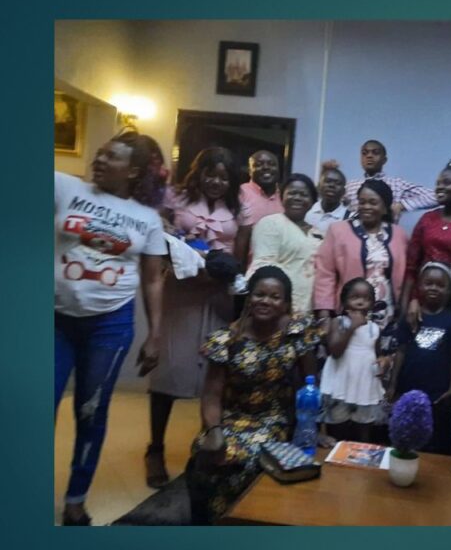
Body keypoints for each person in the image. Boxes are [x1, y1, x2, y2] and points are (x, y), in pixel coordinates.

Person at [55, 130, 169, 525]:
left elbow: (153, 279)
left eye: (111, 156)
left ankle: (76, 498)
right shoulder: (65, 187)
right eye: (99, 152)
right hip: (53, 319)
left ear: (133, 170)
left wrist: (154, 335)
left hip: (109, 325)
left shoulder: (148, 219)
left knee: (90, 410)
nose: (99, 160)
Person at [185, 266, 320, 524]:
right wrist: (213, 431)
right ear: (249, 297)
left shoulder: (297, 333)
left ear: (286, 303)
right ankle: (206, 523)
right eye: (259, 294)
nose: (265, 301)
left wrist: (315, 426)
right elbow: (212, 395)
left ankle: (241, 521)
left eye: (274, 296)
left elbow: (309, 384)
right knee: (204, 453)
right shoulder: (226, 339)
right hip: (231, 417)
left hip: (273, 419)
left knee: (246, 457)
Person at [146, 146, 244, 489]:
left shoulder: (236, 206)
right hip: (182, 293)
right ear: (199, 172)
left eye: (223, 176)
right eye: (210, 174)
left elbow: (241, 251)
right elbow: (157, 230)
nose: (216, 181)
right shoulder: (177, 197)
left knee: (213, 375)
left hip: (217, 296)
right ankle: (155, 449)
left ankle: (206, 448)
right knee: (170, 371)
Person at [314, 179, 409, 350]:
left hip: (387, 314)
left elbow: (407, 274)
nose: (366, 207)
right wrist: (324, 315)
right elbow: (324, 273)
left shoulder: (399, 235)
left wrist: (404, 310)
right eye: (362, 202)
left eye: (373, 202)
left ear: (385, 207)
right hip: (350, 312)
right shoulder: (338, 230)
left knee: (378, 365)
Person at [400, 155, 451, 327]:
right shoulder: (427, 220)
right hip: (424, 303)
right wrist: (411, 301)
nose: (439, 187)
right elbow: (411, 268)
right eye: (438, 182)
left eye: (447, 183)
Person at [389, 263, 451, 454]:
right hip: (409, 387)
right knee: (406, 431)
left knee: (434, 436)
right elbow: (401, 351)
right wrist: (392, 385)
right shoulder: (411, 317)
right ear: (419, 286)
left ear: (448, 290)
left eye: (440, 285)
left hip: (438, 391)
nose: (434, 288)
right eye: (428, 283)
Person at [320, 278, 389, 442]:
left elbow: (378, 353)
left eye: (366, 298)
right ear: (344, 302)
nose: (360, 302)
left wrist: (384, 361)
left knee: (363, 431)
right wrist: (352, 327)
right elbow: (335, 351)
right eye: (355, 297)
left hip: (364, 386)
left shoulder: (374, 328)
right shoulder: (338, 323)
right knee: (338, 429)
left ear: (372, 303)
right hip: (341, 385)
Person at [248, 173, 323, 312]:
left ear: (313, 201)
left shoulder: (318, 233)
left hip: (308, 309)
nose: (297, 198)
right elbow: (263, 266)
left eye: (304, 194)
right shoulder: (270, 223)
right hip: (276, 307)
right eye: (292, 193)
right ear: (282, 197)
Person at [341, 140, 437, 223]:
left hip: (387, 237)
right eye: (364, 153)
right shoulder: (350, 186)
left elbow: (435, 197)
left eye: (375, 152)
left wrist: (402, 205)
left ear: (384, 160)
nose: (369, 156)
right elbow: (332, 208)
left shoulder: (397, 184)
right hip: (353, 239)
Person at [234, 150, 284, 266]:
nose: (265, 167)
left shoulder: (285, 196)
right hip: (248, 268)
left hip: (282, 268)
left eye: (271, 164)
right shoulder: (240, 193)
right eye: (258, 164)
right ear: (249, 170)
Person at [305, 160, 348, 234]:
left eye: (337, 183)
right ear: (319, 186)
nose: (331, 185)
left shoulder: (349, 218)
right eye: (328, 181)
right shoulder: (307, 211)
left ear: (344, 191)